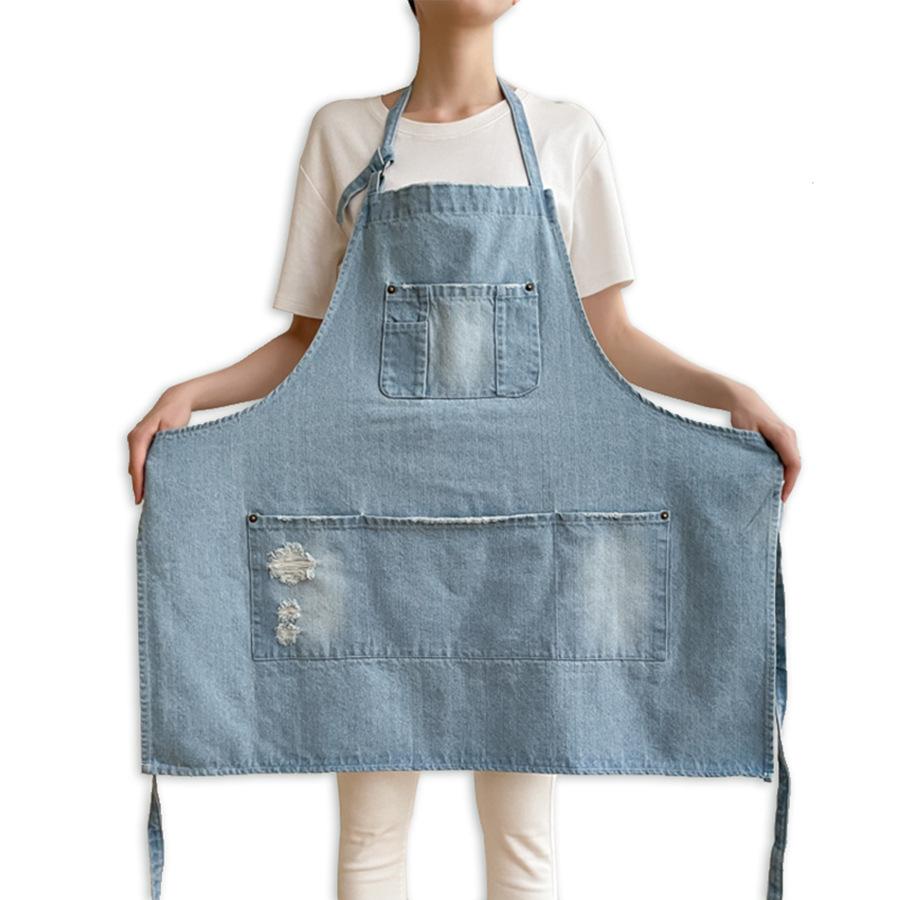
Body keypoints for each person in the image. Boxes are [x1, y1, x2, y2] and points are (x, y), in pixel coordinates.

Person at [128, 2, 801, 898]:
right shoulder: (344, 134)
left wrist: (728, 394)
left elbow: (607, 340)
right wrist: (192, 395)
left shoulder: (565, 135)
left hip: (526, 545)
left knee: (523, 840)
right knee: (371, 832)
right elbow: (310, 346)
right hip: (372, 538)